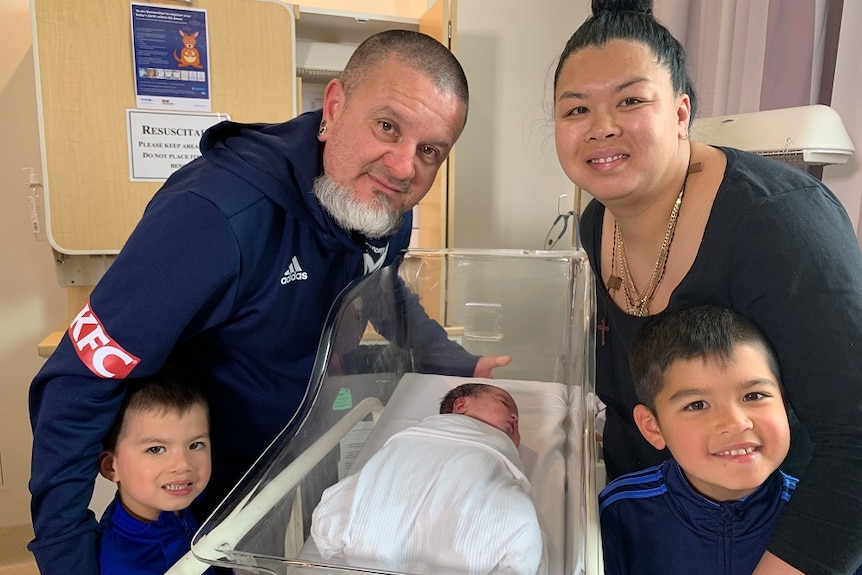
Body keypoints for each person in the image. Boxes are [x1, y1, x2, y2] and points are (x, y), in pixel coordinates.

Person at [28, 30, 510, 574]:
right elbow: (75, 382)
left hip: (295, 453)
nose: (404, 167)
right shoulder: (216, 218)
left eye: (430, 151)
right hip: (202, 479)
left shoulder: (378, 203)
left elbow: (379, 282)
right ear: (333, 108)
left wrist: (451, 362)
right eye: (387, 126)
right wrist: (65, 553)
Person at [553, 1, 862, 573]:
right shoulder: (597, 223)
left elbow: (856, 441)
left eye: (631, 100)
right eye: (576, 109)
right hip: (663, 527)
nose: (601, 126)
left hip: (785, 533)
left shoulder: (780, 224)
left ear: (680, 112)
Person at [599, 305, 797, 575]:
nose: (736, 423)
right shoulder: (619, 511)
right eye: (697, 405)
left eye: (754, 396)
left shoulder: (821, 517)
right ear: (653, 427)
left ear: (785, 404)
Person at [311, 383, 546, 575]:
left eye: (518, 422)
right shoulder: (412, 439)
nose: (515, 416)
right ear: (461, 405)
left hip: (369, 558)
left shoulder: (495, 453)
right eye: (504, 404)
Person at [97, 364, 215, 575]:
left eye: (195, 445)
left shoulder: (184, 504)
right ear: (110, 467)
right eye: (156, 449)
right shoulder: (121, 564)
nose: (183, 465)